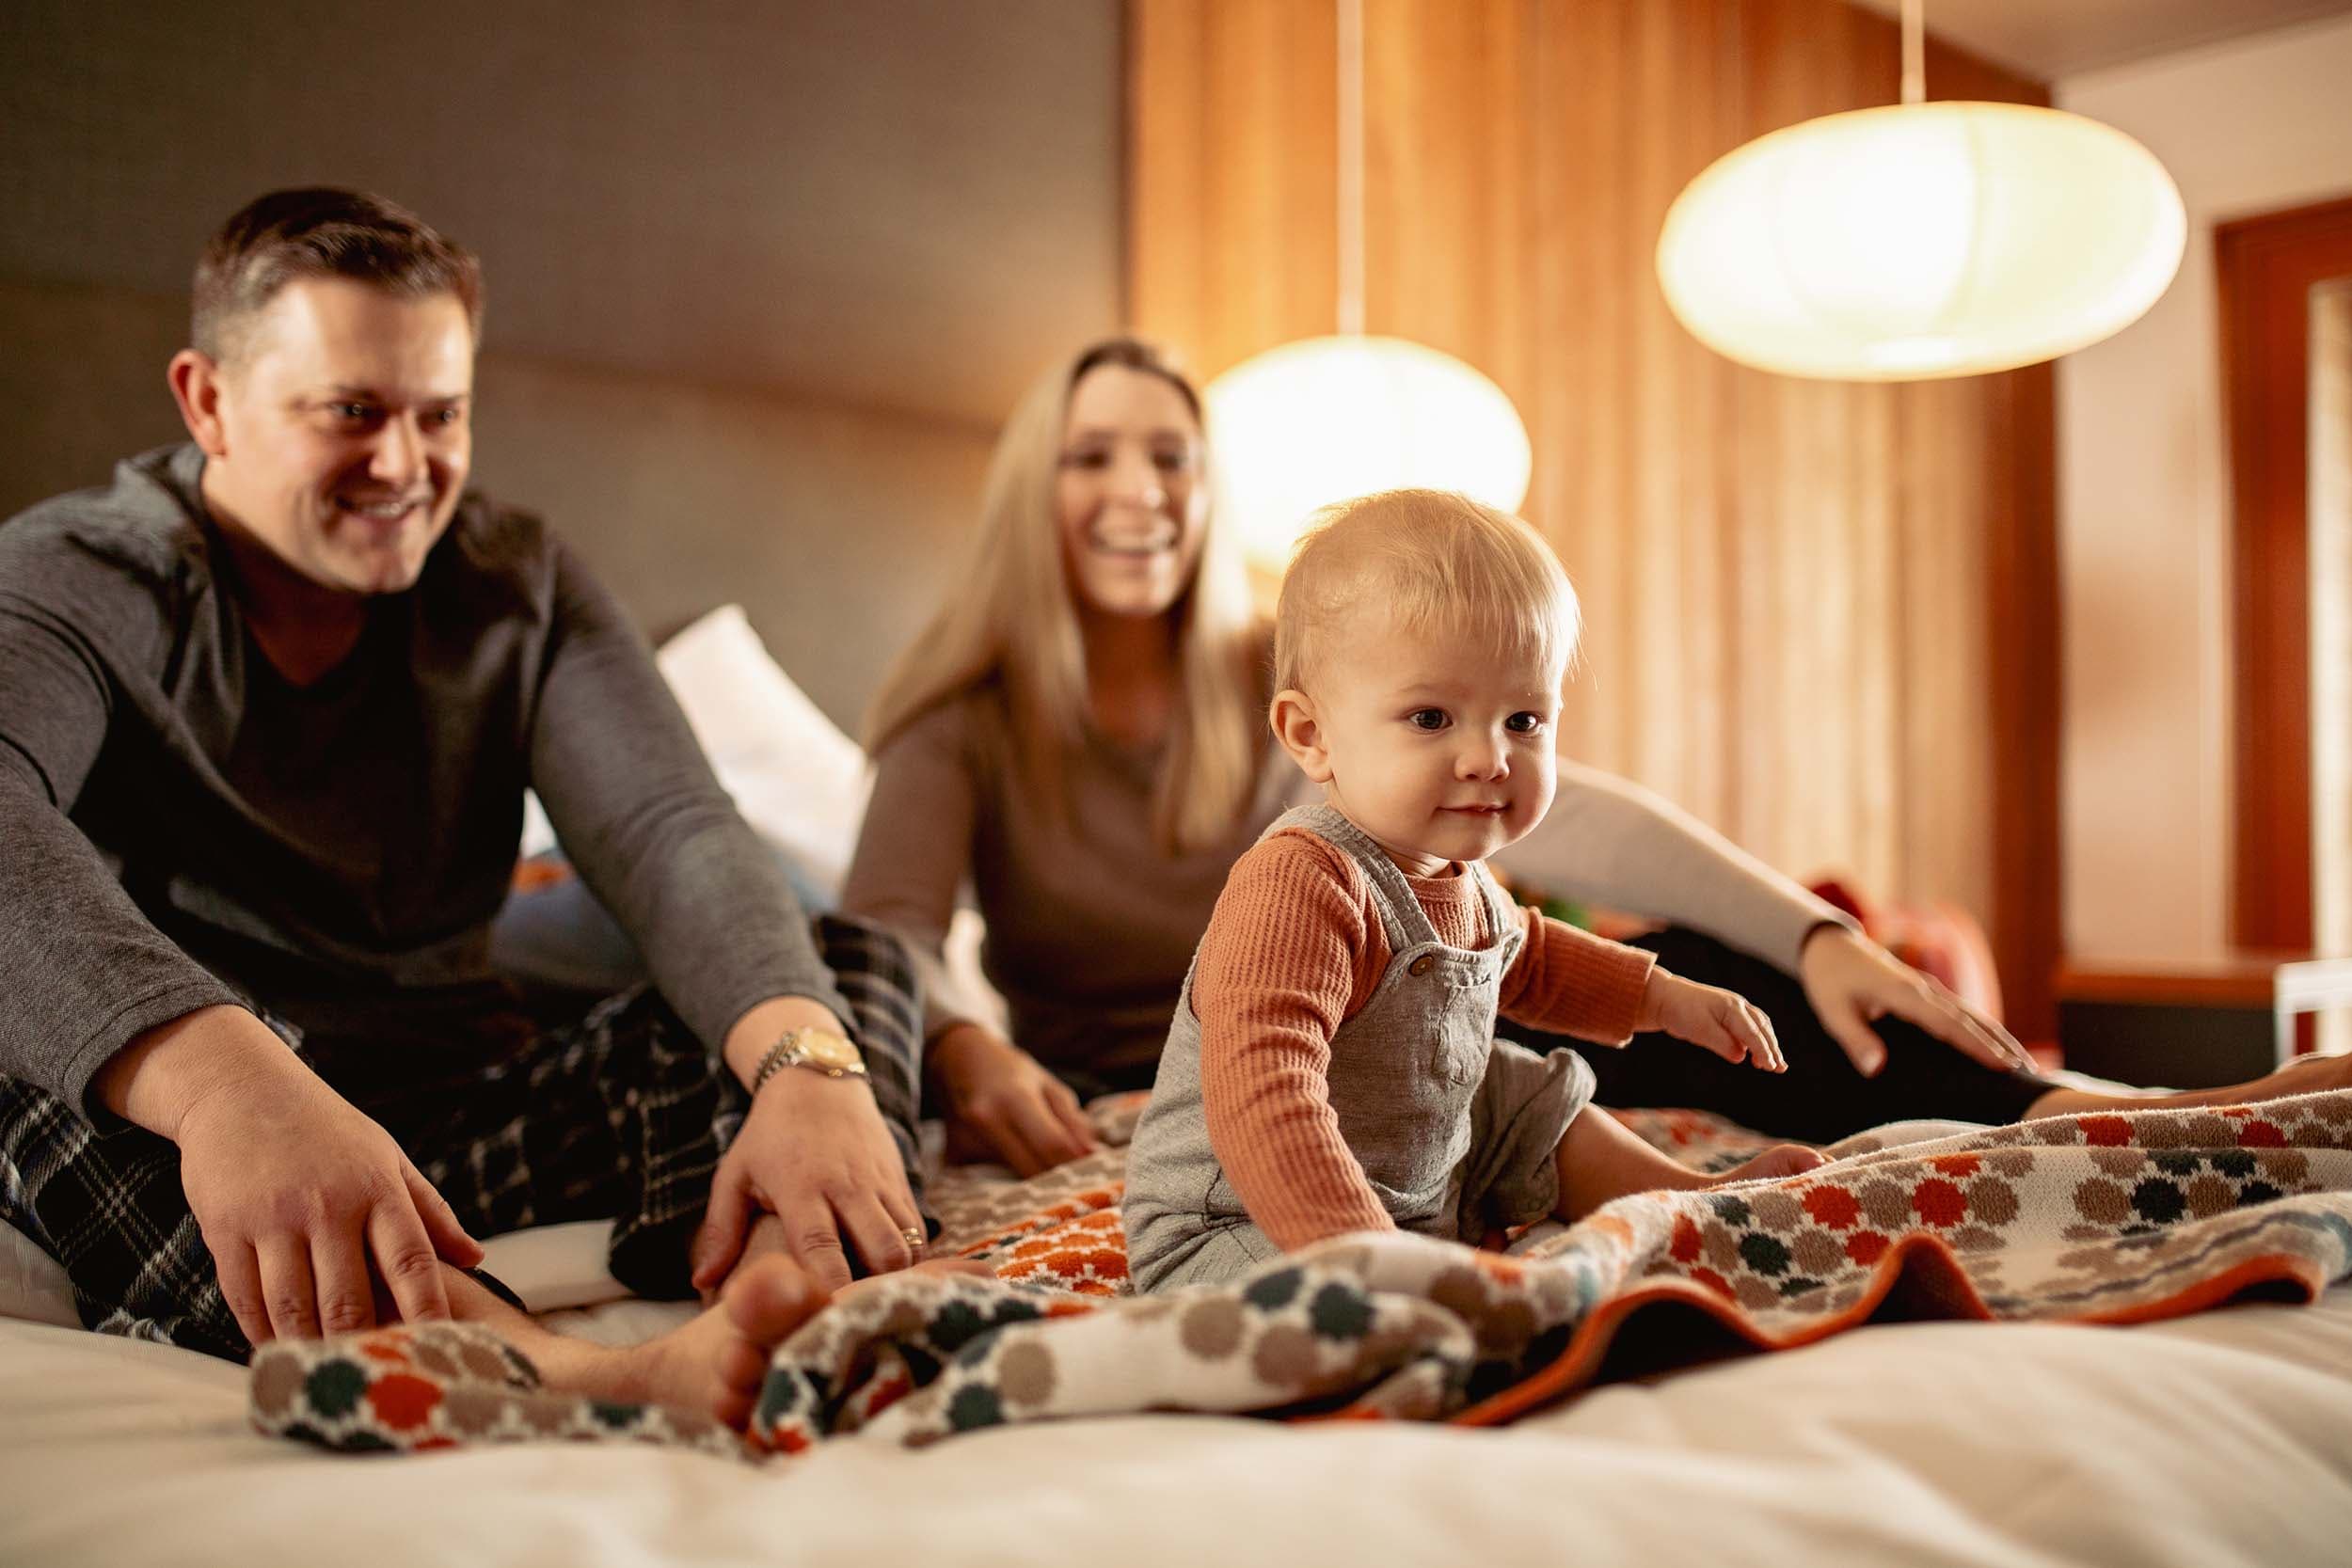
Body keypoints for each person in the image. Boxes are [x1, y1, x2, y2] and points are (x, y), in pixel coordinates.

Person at [841, 337, 2351, 1172]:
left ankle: (2066, 1104)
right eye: (1091, 452)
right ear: (1029, 489)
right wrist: (970, 1049)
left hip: (1397, 1009)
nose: (1138, 488)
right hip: (1175, 1077)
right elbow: (887, 942)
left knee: (1694, 961)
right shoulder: (958, 717)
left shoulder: (1284, 671)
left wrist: (1815, 932)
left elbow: (1566, 819)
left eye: (1170, 450)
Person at [0, 189, 926, 1391]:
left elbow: (668, 833)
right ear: (208, 402)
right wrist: (232, 1086)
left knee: (834, 971)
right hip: (214, 1133)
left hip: (458, 1119)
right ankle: (542, 1370)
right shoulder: (80, 577)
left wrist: (808, 1068)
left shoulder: (514, 584)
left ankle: (778, 1293)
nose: (402, 465)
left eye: (441, 415)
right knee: (19, 1067)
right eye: (350, 412)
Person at [1124, 493, 1825, 1290]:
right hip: (1239, 1221)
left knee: (1514, 1087)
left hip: (1413, 1188)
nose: (1488, 757)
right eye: (1431, 717)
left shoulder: (1466, 883)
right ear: (1311, 736)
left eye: (1524, 720)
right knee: (1326, 1315)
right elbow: (1263, 1091)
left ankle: (1688, 1202)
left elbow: (1534, 961)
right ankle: (1386, 1301)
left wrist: (1663, 997)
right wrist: (1366, 1257)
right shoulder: (1300, 882)